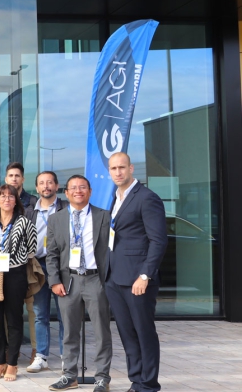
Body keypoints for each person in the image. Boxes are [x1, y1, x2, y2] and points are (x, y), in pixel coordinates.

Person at [105, 152, 166, 392]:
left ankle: (148, 384)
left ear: (131, 168)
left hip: (137, 279)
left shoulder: (147, 198)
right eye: (113, 168)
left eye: (122, 167)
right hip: (114, 278)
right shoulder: (116, 197)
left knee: (143, 332)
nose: (118, 172)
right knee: (128, 334)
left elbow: (158, 241)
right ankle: (136, 381)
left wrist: (145, 275)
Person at [47, 175, 111, 392]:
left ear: (90, 191)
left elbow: (112, 250)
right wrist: (54, 280)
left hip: (95, 279)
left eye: (82, 187)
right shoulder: (56, 219)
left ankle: (102, 377)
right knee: (69, 331)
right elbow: (52, 254)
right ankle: (69, 375)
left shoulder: (104, 216)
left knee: (102, 331)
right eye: (73, 188)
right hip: (68, 281)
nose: (78, 191)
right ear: (66, 193)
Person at [0, 184, 37, 382]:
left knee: (14, 320)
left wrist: (15, 259)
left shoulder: (24, 222)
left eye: (11, 196)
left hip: (15, 274)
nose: (7, 199)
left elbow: (32, 248)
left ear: (16, 200)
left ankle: (12, 364)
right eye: (3, 196)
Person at [26, 171, 67, 373]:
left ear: (57, 186)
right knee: (40, 314)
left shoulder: (66, 208)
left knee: (64, 315)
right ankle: (41, 356)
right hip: (38, 267)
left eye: (49, 182)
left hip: (61, 268)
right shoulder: (29, 212)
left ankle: (66, 357)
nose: (46, 186)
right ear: (37, 188)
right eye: (41, 183)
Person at [4, 161, 39, 366]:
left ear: (23, 179)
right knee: (8, 310)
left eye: (17, 176)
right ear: (6, 179)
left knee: (33, 309)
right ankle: (11, 349)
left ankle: (36, 350)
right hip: (5, 266)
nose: (14, 179)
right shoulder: (1, 201)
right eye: (11, 176)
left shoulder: (32, 202)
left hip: (28, 263)